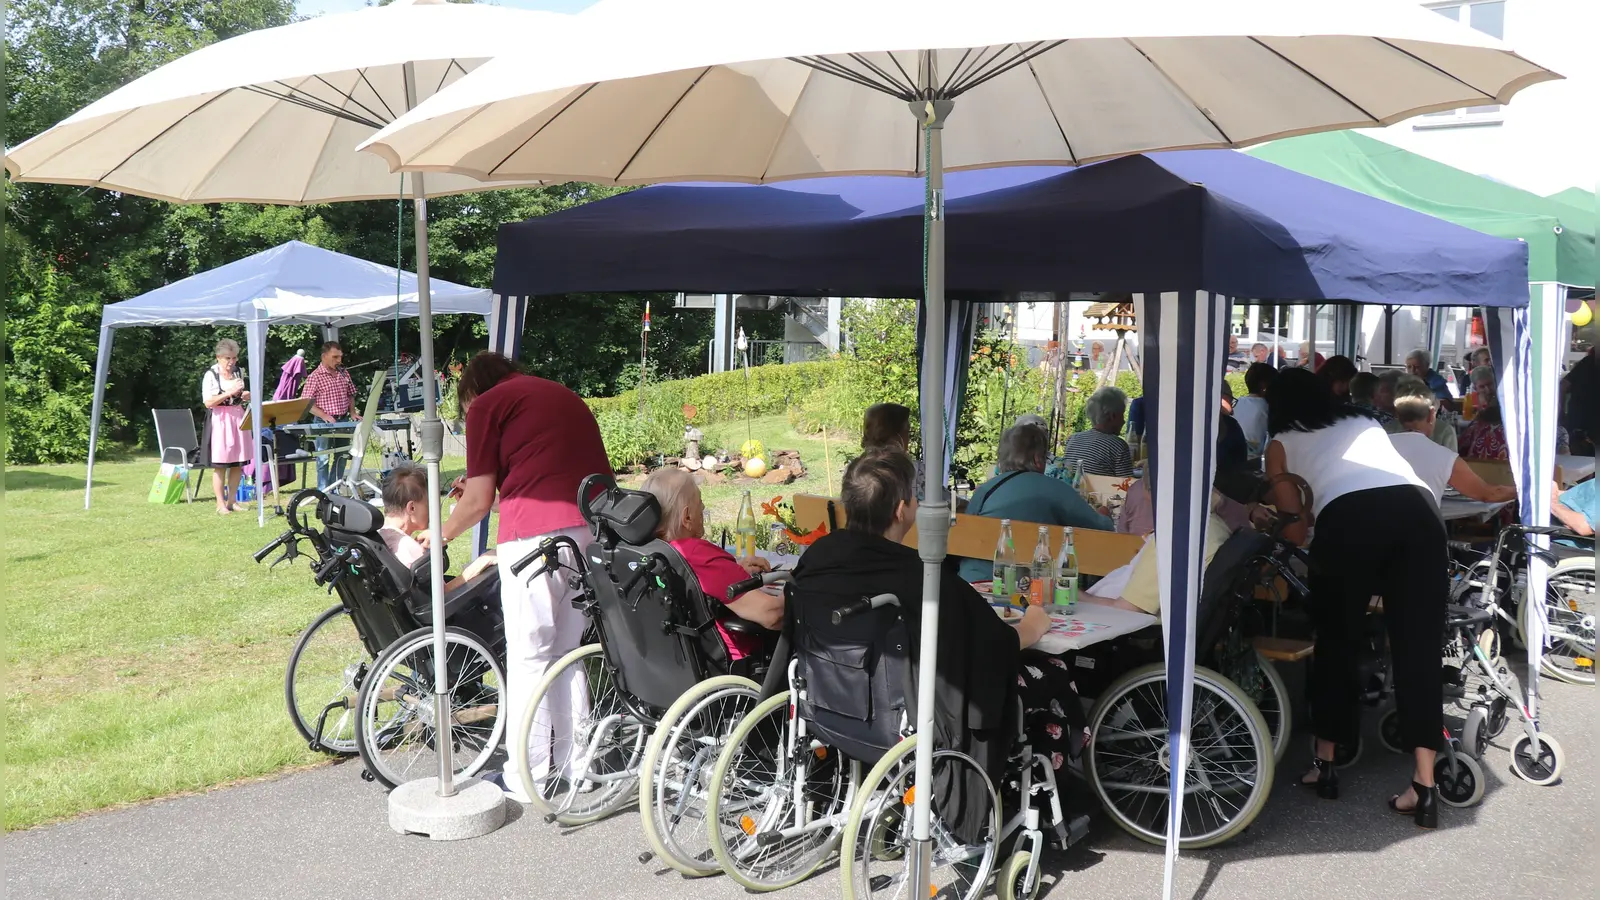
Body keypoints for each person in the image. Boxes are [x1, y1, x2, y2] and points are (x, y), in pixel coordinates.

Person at [793, 449, 1088, 820]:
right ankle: (1052, 794)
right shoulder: (923, 578)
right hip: (905, 711)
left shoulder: (818, 556)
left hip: (830, 702)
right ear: (903, 510)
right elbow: (994, 644)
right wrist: (1033, 624)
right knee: (1053, 672)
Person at [426, 351, 613, 802]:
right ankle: (579, 766)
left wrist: (442, 533)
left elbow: (478, 502)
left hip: (532, 534)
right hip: (589, 529)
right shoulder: (557, 393)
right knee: (569, 652)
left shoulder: (489, 404)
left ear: (472, 390)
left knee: (530, 655)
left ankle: (526, 776)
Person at [1264, 367, 1446, 827]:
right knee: (1418, 648)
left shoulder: (1280, 444)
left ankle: (1325, 764)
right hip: (1420, 514)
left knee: (1336, 641)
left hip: (1348, 522)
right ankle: (1425, 784)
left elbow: (1295, 527)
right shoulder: (1363, 421)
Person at [642, 466, 783, 659]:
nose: (704, 507)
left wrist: (734, 569)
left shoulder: (651, 552)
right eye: (700, 502)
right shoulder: (698, 555)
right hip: (740, 662)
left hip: (672, 659)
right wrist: (799, 591)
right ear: (687, 517)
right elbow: (771, 615)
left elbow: (696, 582)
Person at [958, 425, 1112, 582]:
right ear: (1038, 458)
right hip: (1028, 589)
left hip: (974, 582)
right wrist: (1104, 514)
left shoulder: (985, 490)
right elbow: (1103, 531)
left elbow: (969, 532)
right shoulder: (1056, 488)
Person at [1085, 489, 1233, 615]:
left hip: (1135, 624)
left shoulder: (1176, 537)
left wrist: (1074, 596)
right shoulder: (1216, 525)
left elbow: (1128, 609)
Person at [1389, 382, 1515, 506]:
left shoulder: (1375, 448)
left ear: (1398, 415)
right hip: (1422, 524)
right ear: (1432, 414)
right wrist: (1522, 491)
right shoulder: (1444, 457)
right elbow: (1488, 494)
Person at [379, 462, 498, 592]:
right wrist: (482, 562)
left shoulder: (376, 540)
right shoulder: (410, 549)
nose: (434, 509)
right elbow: (442, 596)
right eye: (429, 503)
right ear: (412, 507)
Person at [200, 338, 251, 514]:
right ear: (218, 358)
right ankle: (220, 504)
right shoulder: (211, 375)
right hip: (220, 420)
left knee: (237, 463)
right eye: (228, 358)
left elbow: (238, 396)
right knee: (220, 464)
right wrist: (229, 392)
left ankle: (232, 501)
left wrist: (244, 395)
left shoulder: (238, 372)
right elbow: (208, 402)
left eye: (234, 358)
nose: (232, 362)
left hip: (237, 417)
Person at [300, 340, 359, 490]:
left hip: (343, 420)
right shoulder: (315, 376)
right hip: (323, 422)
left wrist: (353, 412)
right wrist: (324, 415)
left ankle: (335, 488)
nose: (339, 360)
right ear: (324, 356)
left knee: (342, 456)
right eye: (335, 357)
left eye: (340, 357)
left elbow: (351, 394)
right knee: (323, 458)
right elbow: (306, 403)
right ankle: (323, 491)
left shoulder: (344, 373)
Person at [1061, 386, 1133, 477]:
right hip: (1100, 491)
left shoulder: (1073, 439)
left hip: (1070, 490)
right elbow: (1127, 484)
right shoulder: (1118, 446)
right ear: (1112, 416)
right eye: (1122, 415)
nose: (1123, 421)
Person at [861, 402, 925, 498]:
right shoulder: (916, 471)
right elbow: (950, 503)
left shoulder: (853, 472)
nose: (908, 437)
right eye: (907, 431)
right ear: (896, 437)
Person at [1233, 362, 1273, 457]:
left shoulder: (1237, 402)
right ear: (1264, 386)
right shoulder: (1268, 407)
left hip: (1235, 455)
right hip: (1254, 459)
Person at [1561, 346, 1596, 455]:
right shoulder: (1588, 362)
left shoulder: (1587, 362)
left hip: (1577, 426)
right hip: (1583, 429)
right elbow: (1564, 385)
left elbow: (1563, 385)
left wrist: (1561, 411)